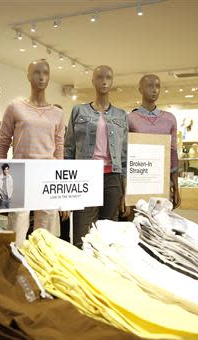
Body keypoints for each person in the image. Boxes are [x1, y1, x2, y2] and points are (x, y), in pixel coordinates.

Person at [0, 59, 65, 246]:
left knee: (45, 235)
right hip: (20, 173)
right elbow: (3, 143)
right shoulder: (15, 107)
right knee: (17, 229)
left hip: (48, 175)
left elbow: (59, 149)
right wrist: (0, 174)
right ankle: (14, 269)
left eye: (46, 73)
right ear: (28, 75)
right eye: (36, 72)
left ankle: (40, 272)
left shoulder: (57, 114)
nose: (42, 77)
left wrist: (59, 182)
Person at [64, 65, 128, 247]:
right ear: (92, 81)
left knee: (108, 237)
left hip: (112, 178)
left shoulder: (121, 115)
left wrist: (125, 192)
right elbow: (68, 150)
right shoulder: (79, 111)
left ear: (113, 81)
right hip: (84, 176)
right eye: (99, 77)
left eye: (108, 77)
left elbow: (124, 156)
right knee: (81, 235)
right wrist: (67, 191)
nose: (104, 81)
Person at [128, 74, 181, 208]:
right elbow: (125, 155)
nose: (154, 90)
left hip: (162, 184)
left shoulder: (169, 119)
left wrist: (176, 186)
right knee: (137, 224)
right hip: (138, 183)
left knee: (161, 225)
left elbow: (173, 153)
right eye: (150, 86)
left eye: (157, 86)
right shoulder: (130, 118)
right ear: (140, 89)